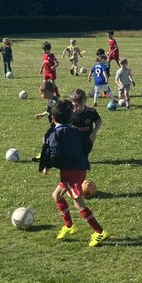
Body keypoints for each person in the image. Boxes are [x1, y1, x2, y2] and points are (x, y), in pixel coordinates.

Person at [38, 99, 109, 247]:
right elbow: (87, 145)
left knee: (79, 203)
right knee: (56, 195)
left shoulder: (54, 133)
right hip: (78, 168)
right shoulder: (75, 131)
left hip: (71, 172)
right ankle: (70, 226)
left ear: (52, 118)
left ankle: (100, 232)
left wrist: (48, 166)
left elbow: (53, 153)